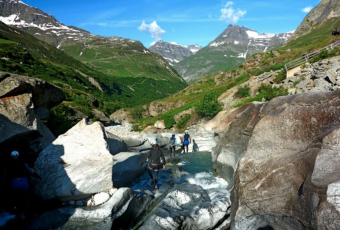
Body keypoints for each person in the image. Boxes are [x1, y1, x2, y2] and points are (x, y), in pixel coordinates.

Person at [5, 151, 35, 220]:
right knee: (27, 196)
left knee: (17, 197)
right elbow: (30, 171)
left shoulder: (8, 163)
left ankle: (19, 213)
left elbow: (6, 174)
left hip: (14, 182)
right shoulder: (22, 162)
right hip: (23, 181)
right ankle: (27, 211)